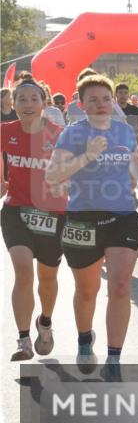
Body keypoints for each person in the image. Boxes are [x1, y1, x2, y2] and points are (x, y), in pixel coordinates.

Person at [45, 74, 138, 380]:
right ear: (82, 104)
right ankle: (84, 339)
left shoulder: (124, 130)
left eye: (106, 99)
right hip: (83, 219)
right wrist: (88, 156)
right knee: (87, 289)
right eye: (93, 99)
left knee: (119, 286)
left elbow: (134, 161)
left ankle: (114, 359)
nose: (101, 104)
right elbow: (53, 176)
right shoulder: (72, 134)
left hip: (122, 216)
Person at [2, 80, 68, 361]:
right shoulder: (5, 131)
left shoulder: (59, 135)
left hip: (53, 215)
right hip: (16, 211)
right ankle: (23, 340)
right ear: (12, 103)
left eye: (33, 99)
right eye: (21, 99)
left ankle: (46, 321)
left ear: (44, 103)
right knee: (23, 273)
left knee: (47, 277)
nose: (27, 105)